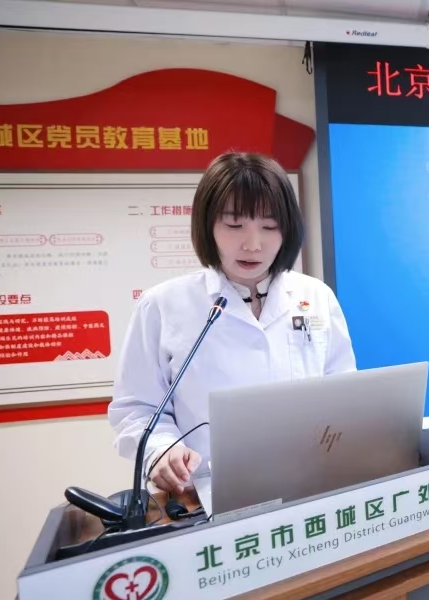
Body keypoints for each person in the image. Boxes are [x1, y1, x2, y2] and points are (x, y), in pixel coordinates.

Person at [108, 152, 356, 495]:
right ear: (208, 225)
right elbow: (137, 409)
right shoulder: (163, 305)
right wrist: (162, 450)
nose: (253, 245)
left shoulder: (316, 296)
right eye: (234, 225)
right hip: (204, 494)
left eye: (269, 227)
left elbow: (344, 394)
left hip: (309, 487)